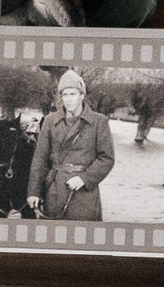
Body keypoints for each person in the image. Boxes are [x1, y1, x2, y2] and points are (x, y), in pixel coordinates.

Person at [25, 69, 113, 222]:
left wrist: (84, 178)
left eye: (73, 94)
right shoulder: (50, 121)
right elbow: (40, 158)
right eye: (65, 95)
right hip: (54, 190)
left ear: (82, 96)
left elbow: (107, 158)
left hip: (84, 193)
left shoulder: (99, 122)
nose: (68, 99)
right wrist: (33, 191)